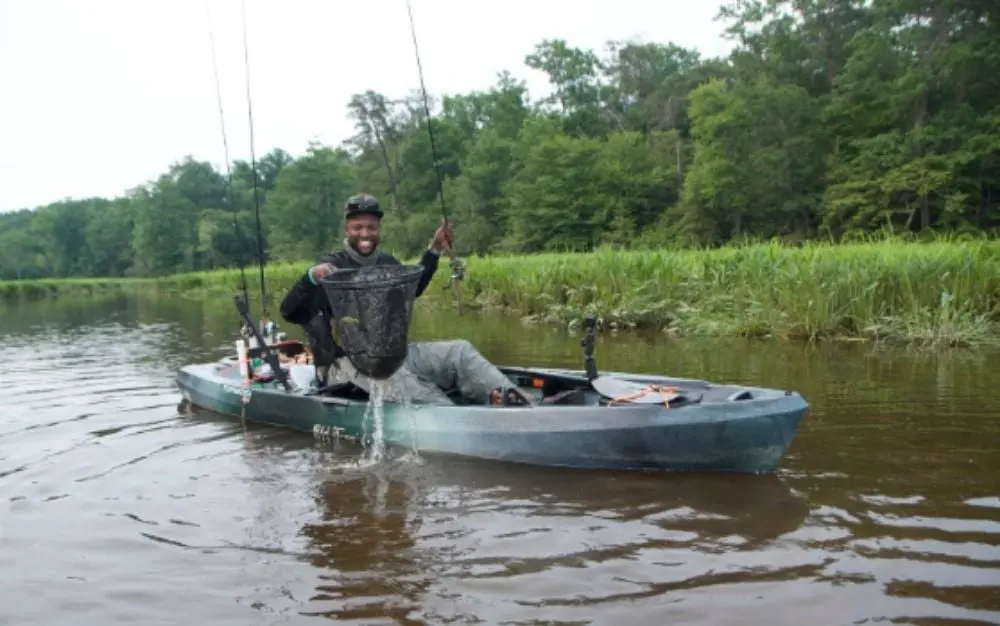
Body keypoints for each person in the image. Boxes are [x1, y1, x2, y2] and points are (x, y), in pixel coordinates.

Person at [279, 193, 533, 406]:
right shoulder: (329, 267)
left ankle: (519, 403)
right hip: (342, 365)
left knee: (460, 351)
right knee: (410, 386)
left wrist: (434, 251)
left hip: (392, 356)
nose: (365, 233)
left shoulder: (387, 263)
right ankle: (455, 417)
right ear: (347, 229)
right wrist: (310, 278)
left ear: (378, 230)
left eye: (371, 227)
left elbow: (411, 291)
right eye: (358, 227)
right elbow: (290, 312)